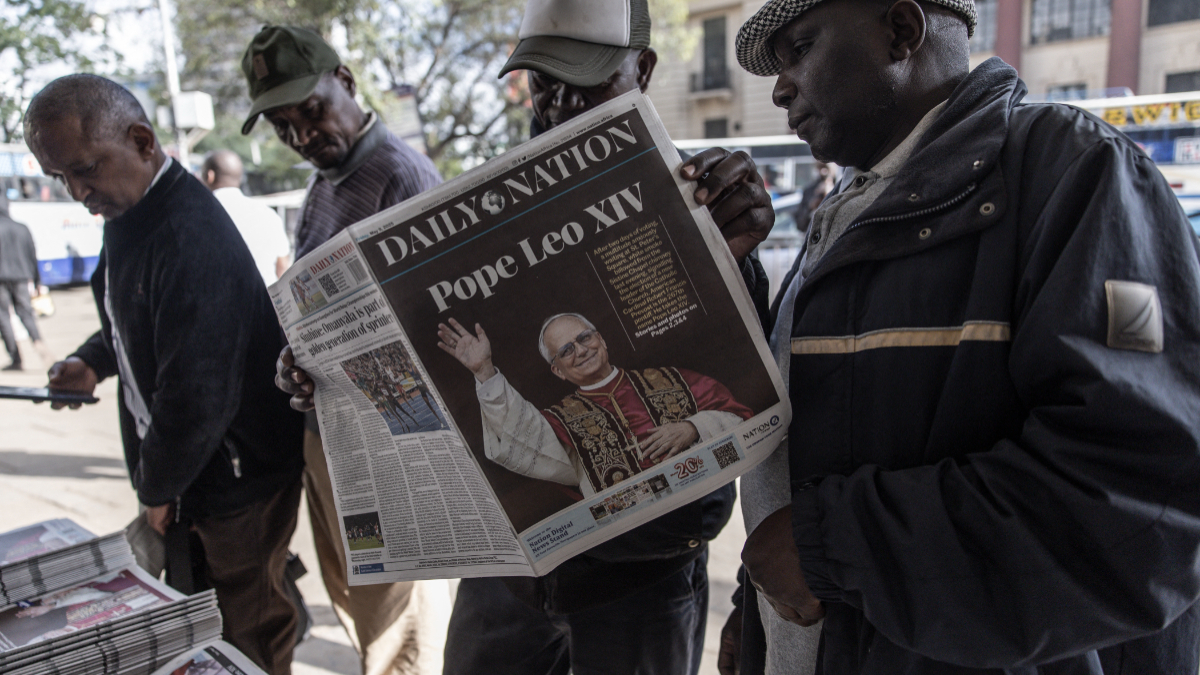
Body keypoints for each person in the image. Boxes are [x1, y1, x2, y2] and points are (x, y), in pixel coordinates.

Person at [277, 2, 774, 672]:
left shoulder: (702, 199)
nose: (561, 104)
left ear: (644, 69)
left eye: (589, 80)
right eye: (543, 81)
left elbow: (751, 398)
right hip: (506, 573)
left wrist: (734, 254)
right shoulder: (477, 205)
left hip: (643, 573)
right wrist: (328, 375)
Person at [725, 0, 1200, 673]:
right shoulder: (850, 211)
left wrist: (830, 544)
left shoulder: (1075, 173)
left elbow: (1134, 500)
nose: (780, 87)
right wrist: (761, 610)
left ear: (901, 31)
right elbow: (814, 444)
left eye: (800, 47)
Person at [24, 74, 305, 675]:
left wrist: (158, 489)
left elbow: (197, 392)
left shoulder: (187, 234)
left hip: (234, 475)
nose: (77, 191)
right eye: (60, 177)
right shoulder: (132, 210)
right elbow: (139, 318)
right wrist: (92, 361)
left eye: (86, 168)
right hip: (197, 472)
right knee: (212, 618)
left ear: (142, 140)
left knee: (246, 629)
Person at [240, 25, 445, 675]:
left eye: (312, 111)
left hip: (389, 441)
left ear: (347, 84)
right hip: (330, 432)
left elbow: (435, 331)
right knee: (358, 599)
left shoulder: (401, 177)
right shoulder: (325, 181)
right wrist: (295, 360)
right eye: (282, 125)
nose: (302, 136)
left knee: (397, 623)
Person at [436, 313, 755, 496]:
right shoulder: (560, 420)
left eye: (585, 338)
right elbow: (520, 440)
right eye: (565, 350)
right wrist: (484, 372)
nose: (581, 350)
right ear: (558, 371)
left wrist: (693, 428)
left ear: (601, 339)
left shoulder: (672, 378)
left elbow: (744, 423)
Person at [200, 150, 292, 284]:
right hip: (266, 300)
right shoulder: (268, 214)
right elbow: (283, 268)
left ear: (210, 176)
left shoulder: (198, 215)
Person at [0, 194, 52, 371]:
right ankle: (40, 346)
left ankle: (16, 359)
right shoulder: (22, 228)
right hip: (22, 278)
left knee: (3, 317)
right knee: (26, 313)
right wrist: (38, 281)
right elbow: (32, 256)